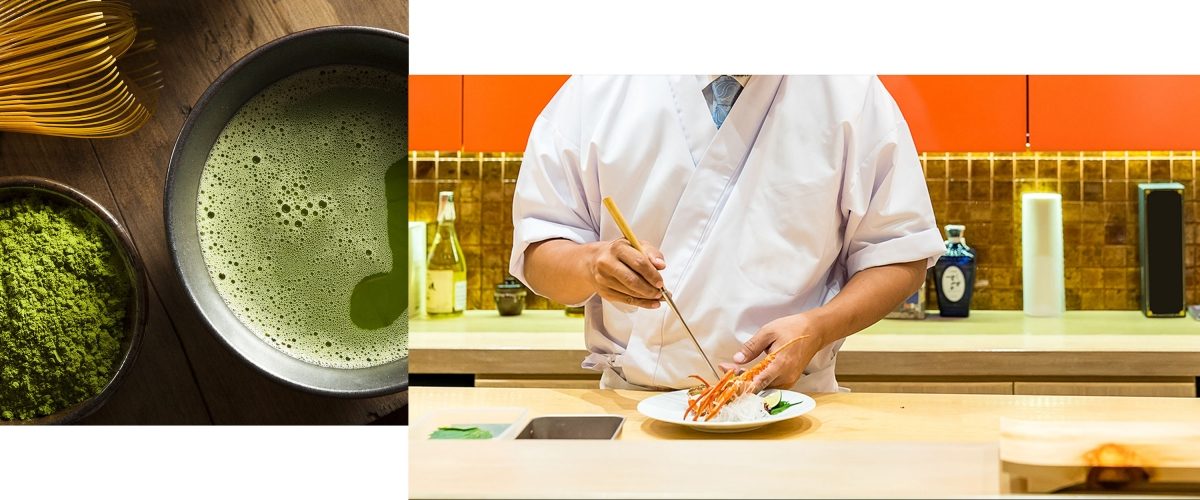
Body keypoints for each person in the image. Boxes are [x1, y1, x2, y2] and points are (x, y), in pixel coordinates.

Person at [508, 75, 944, 393]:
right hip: (637, 406)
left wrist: (817, 327)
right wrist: (590, 265)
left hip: (794, 406)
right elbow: (539, 249)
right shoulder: (597, 89)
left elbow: (899, 253)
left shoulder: (851, 91)